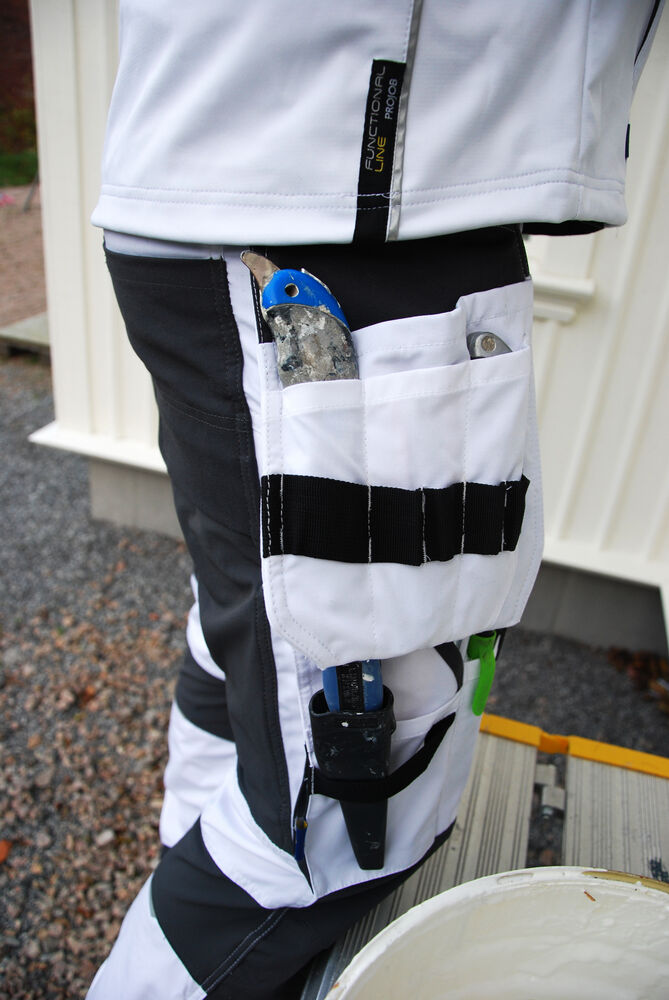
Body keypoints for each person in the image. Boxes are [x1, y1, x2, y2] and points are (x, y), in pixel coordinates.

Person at [86, 3, 664, 998]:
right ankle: (206, 897)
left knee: (255, 634)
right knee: (330, 833)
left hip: (237, 190)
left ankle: (197, 860)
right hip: (362, 211)